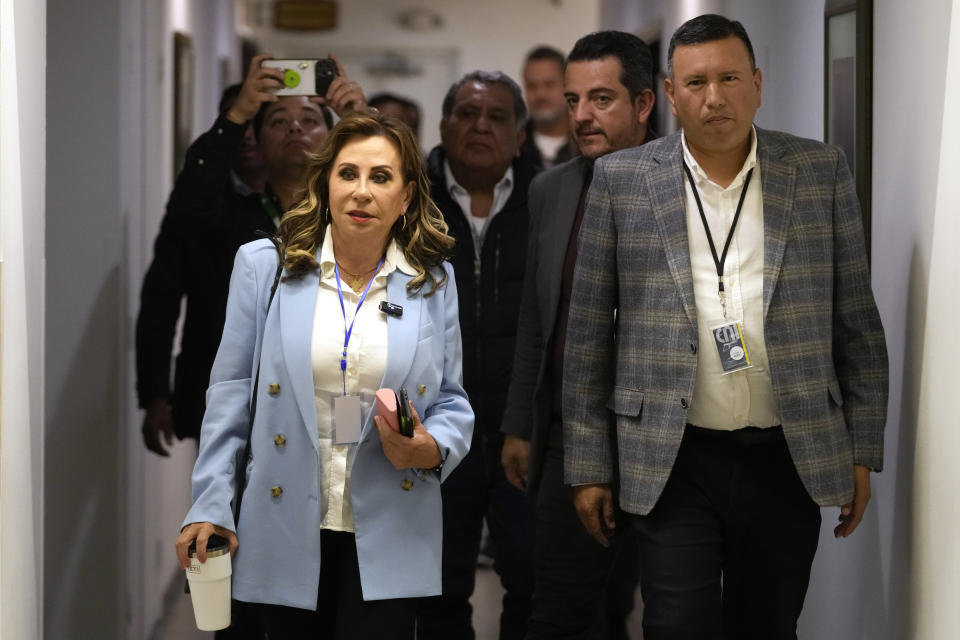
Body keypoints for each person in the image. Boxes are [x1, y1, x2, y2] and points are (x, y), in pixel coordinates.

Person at [563, 14, 888, 639]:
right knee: (678, 622)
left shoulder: (819, 172)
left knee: (767, 624)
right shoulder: (623, 181)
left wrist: (862, 450)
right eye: (697, 83)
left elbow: (858, 326)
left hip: (787, 452)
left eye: (731, 77)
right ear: (671, 95)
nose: (716, 98)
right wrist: (589, 465)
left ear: (758, 84)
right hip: (672, 452)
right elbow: (586, 339)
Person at [174, 110, 474, 639]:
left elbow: (451, 400)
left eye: (380, 177)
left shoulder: (432, 281)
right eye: (347, 173)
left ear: (405, 197)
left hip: (391, 519)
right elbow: (229, 396)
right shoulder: (265, 267)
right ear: (326, 184)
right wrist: (210, 501)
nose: (361, 191)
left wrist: (431, 447)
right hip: (286, 520)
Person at [500, 30, 656, 640]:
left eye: (601, 99)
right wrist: (520, 422)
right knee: (557, 610)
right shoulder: (551, 190)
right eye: (572, 101)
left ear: (643, 104)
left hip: (659, 443)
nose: (582, 116)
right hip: (568, 439)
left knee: (645, 609)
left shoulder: (678, 189)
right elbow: (538, 317)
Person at [136, 52, 365, 454]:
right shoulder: (230, 219)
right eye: (277, 121)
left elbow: (408, 202)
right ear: (258, 143)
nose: (295, 126)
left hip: (340, 398)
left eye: (310, 120)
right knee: (238, 510)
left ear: (332, 140)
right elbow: (192, 198)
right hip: (249, 409)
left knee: (343, 493)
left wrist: (363, 122)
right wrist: (237, 114)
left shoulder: (359, 217)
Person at [418, 71, 537, 640]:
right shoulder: (407, 201)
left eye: (495, 117)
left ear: (519, 134)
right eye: (466, 114)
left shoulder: (549, 196)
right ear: (443, 127)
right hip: (436, 433)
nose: (480, 126)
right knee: (437, 591)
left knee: (534, 589)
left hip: (526, 434)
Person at [520, 46, 577, 170]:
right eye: (532, 86)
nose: (540, 94)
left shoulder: (586, 143)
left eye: (549, 84)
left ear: (567, 85)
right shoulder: (514, 145)